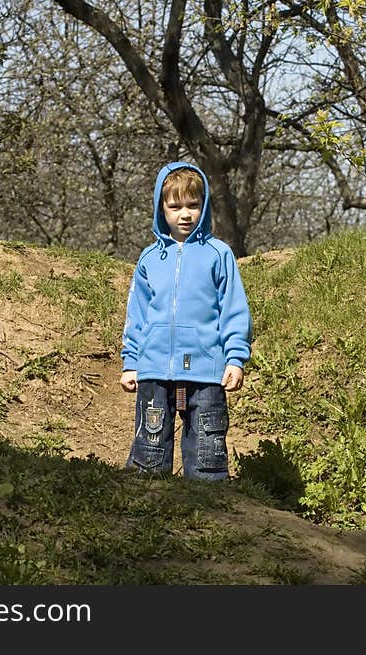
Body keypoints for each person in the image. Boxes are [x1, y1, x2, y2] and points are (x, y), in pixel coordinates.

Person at [119, 161, 252, 480]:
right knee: (149, 448)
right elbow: (137, 315)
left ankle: (208, 504)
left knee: (207, 446)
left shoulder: (219, 254)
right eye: (175, 206)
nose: (185, 214)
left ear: (203, 206)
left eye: (193, 205)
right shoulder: (150, 258)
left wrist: (235, 359)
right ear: (161, 208)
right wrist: (131, 362)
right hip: (154, 366)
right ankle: (145, 500)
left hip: (207, 368)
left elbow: (234, 309)